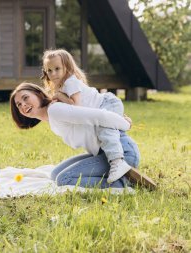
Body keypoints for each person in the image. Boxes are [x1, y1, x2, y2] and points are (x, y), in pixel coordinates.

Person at [10, 82, 156, 189]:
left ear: (38, 94)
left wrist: (126, 124)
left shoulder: (55, 110)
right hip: (102, 153)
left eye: (25, 98)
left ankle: (124, 183)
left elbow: (100, 116)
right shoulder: (52, 115)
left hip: (121, 153)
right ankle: (115, 176)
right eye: (18, 104)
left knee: (64, 179)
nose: (23, 105)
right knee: (55, 174)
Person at [41, 48, 131, 183]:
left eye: (57, 68)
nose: (53, 73)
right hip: (102, 106)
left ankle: (117, 161)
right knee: (104, 130)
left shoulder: (70, 82)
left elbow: (75, 106)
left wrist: (60, 96)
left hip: (107, 102)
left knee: (106, 131)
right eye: (49, 70)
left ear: (67, 67)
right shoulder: (63, 86)